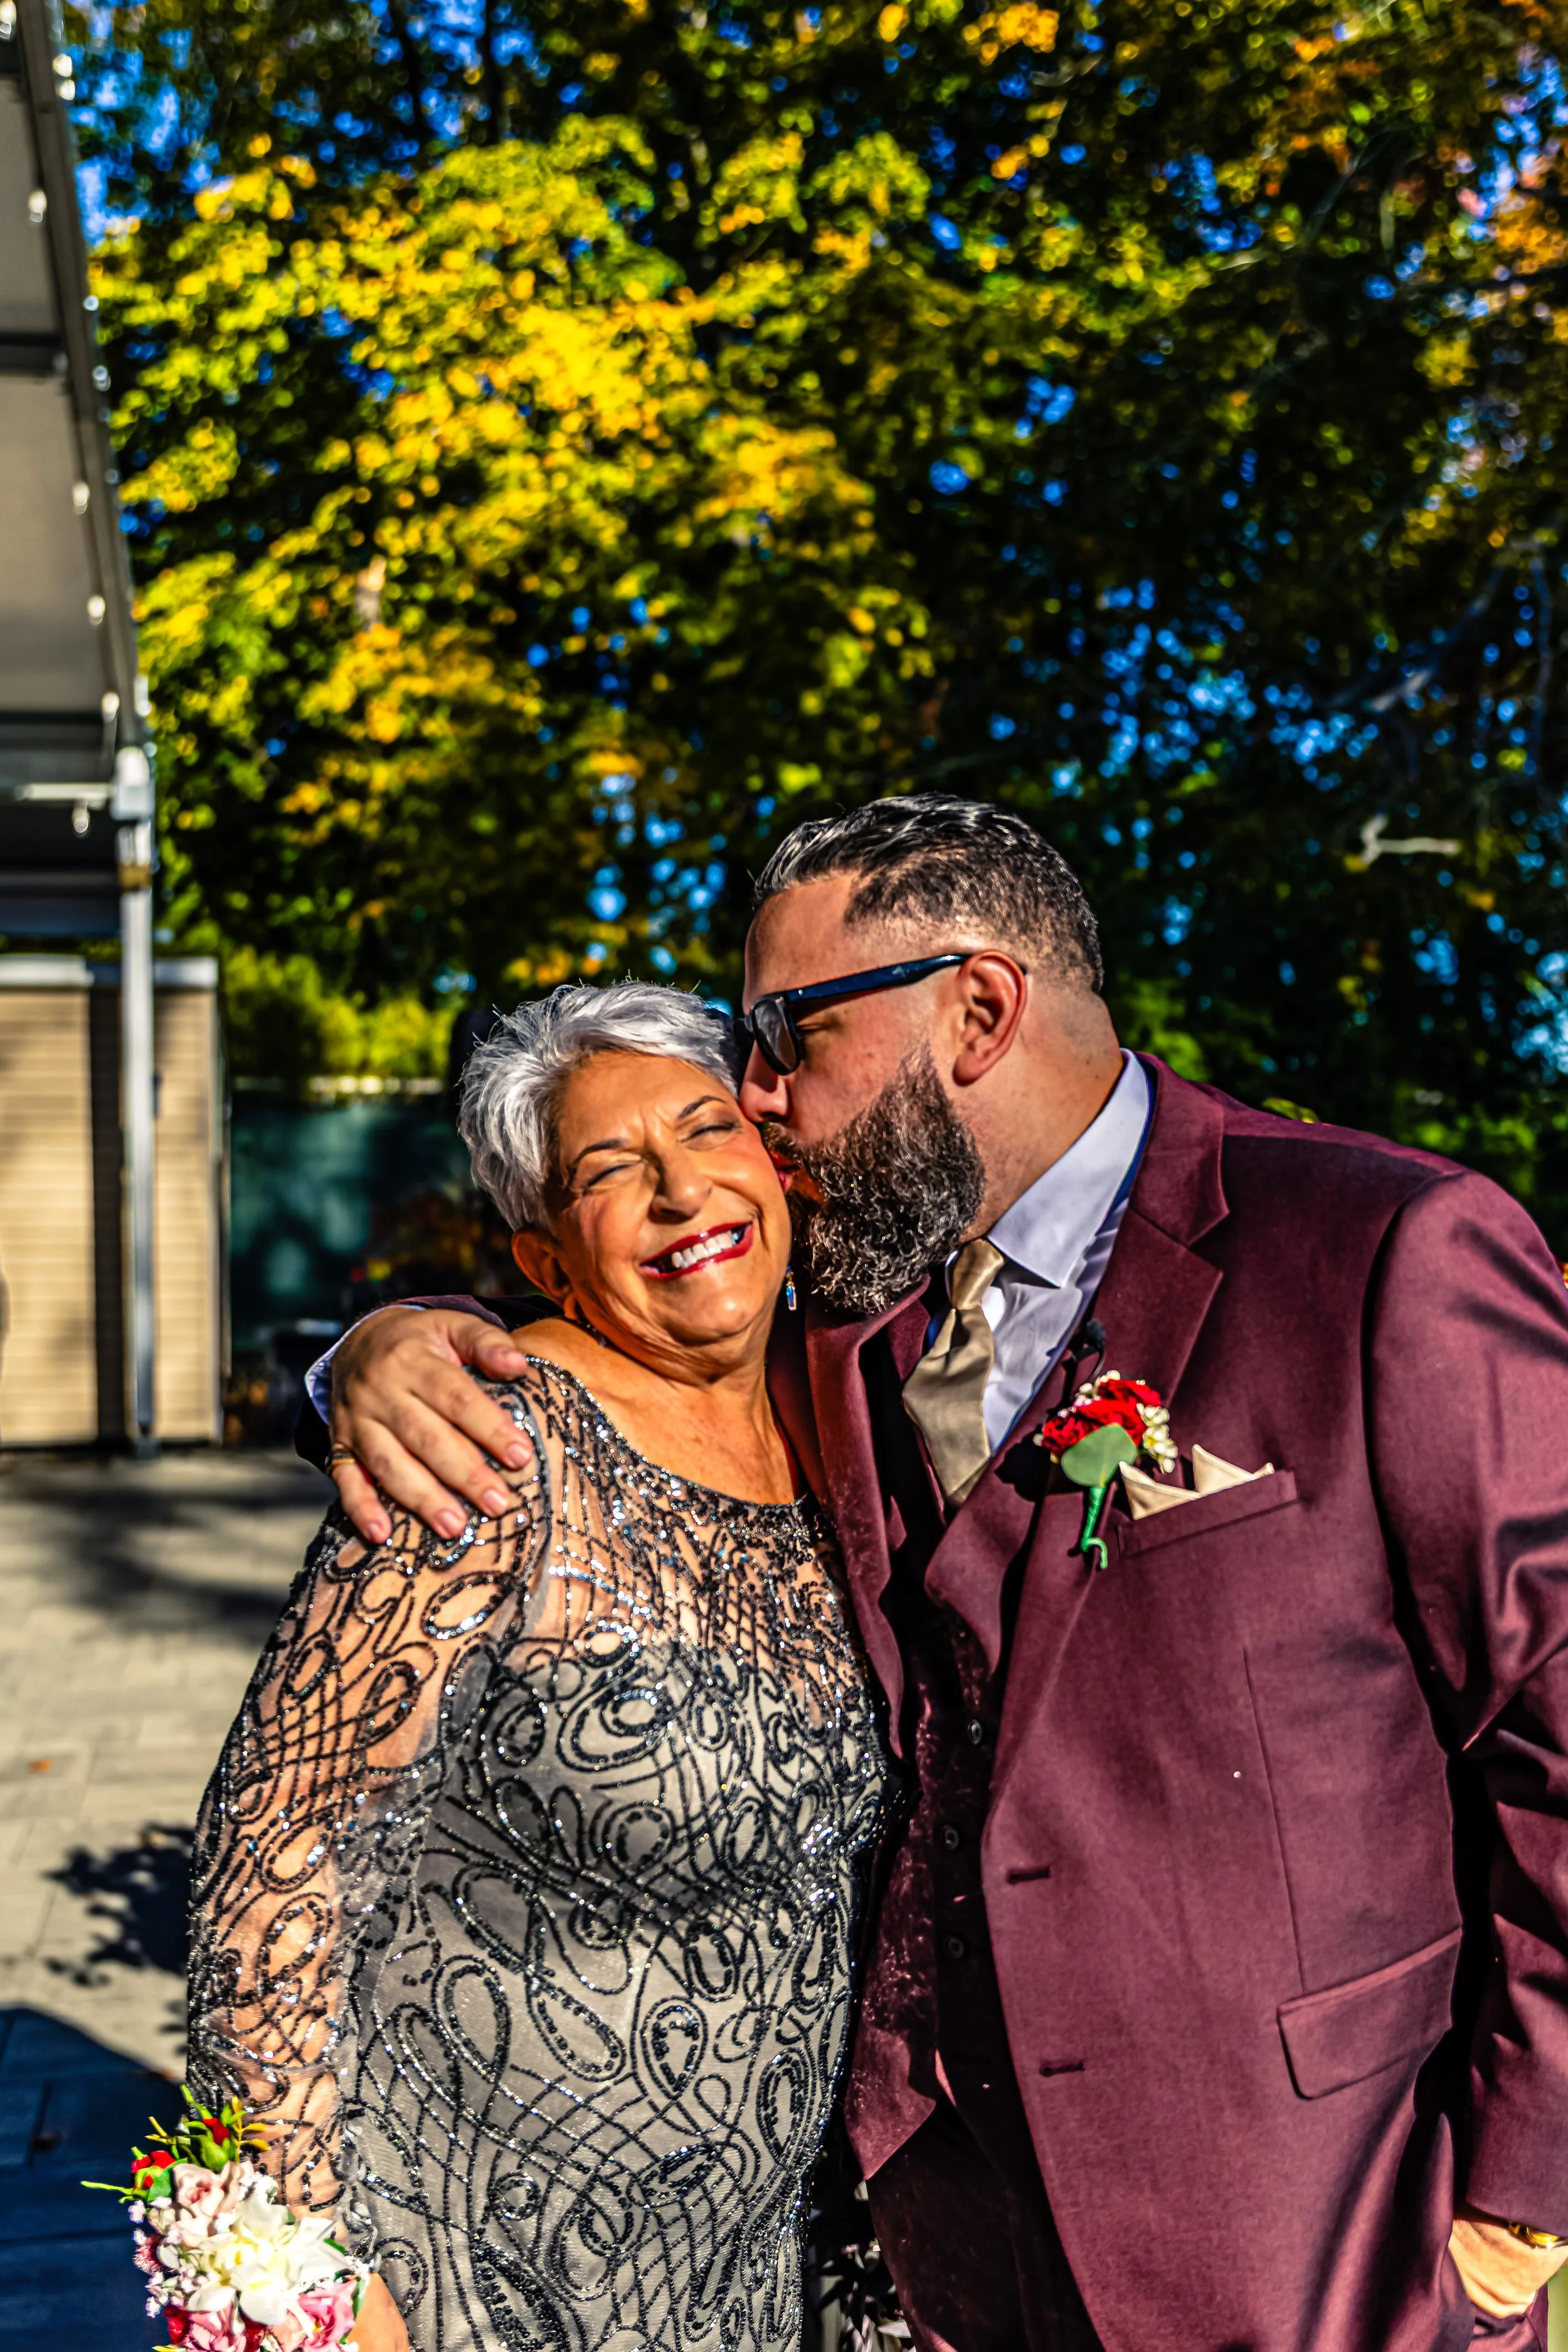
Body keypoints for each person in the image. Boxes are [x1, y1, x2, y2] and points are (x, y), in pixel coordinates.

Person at [307, 796, 1568, 2352]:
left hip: (1314, 2224)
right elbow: (633, 1328)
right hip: (948, 2228)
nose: (754, 1096)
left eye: (784, 1035)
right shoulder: (849, 1306)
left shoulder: (1381, 1249)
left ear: (976, 1009)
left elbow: (1552, 1724)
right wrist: (366, 1360)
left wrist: (1522, 2199)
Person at [189, 984, 887, 2352]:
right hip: (466, 2278)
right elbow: (273, 1858)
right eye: (610, 1172)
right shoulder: (495, 1450)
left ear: (774, 1161)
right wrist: (311, 2282)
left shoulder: (855, 1413)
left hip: (748, 2276)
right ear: (548, 1259)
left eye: (704, 1130)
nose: (681, 1190)